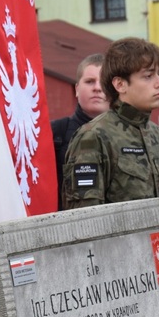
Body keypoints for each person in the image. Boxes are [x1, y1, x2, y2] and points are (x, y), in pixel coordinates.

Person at [61, 37, 159, 289]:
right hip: (123, 283)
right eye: (148, 76)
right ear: (120, 84)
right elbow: (84, 224)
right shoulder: (94, 137)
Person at [51, 53, 109, 208]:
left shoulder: (128, 135)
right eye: (90, 82)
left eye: (104, 82)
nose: (97, 88)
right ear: (77, 89)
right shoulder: (56, 133)